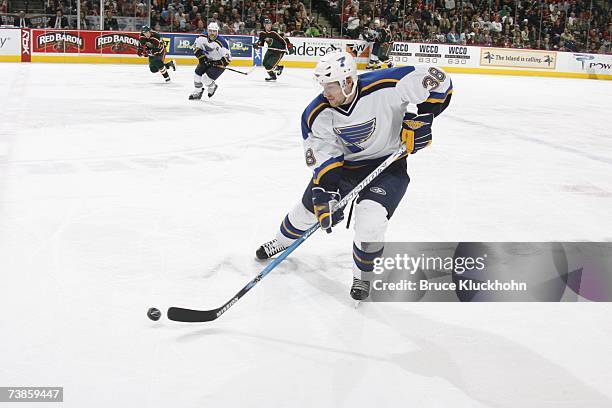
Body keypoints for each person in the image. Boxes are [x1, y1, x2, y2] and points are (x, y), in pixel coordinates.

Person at [255, 51, 452, 300]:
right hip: (346, 169)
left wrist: (424, 118)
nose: (325, 93)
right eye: (323, 86)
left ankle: (362, 274)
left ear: (348, 81)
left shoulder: (388, 84)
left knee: (371, 219)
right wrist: (325, 193)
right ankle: (281, 241)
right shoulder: (316, 114)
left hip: (388, 166)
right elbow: (326, 156)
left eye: (331, 86)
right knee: (305, 213)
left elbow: (440, 79)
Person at [188, 21, 231, 100]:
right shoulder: (202, 37)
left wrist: (217, 63)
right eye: (210, 31)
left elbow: (227, 59)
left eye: (214, 31)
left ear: (217, 32)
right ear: (207, 30)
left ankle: (213, 86)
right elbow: (195, 48)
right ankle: (198, 92)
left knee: (205, 79)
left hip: (218, 63)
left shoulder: (222, 43)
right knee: (197, 76)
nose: (212, 33)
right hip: (206, 59)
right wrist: (202, 58)